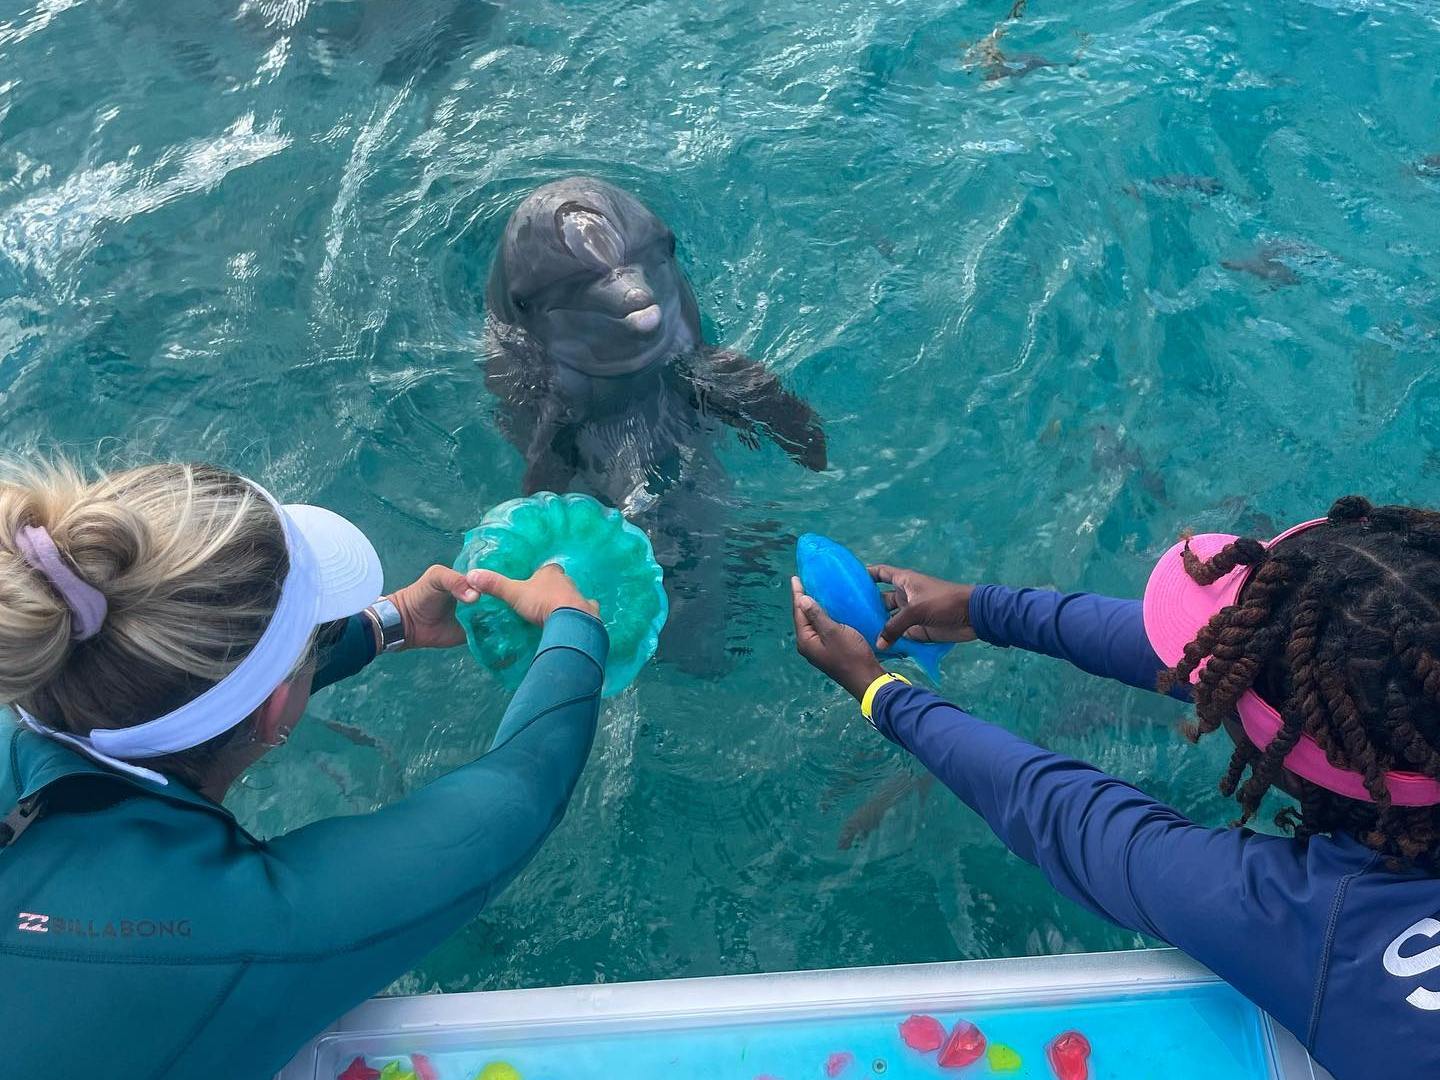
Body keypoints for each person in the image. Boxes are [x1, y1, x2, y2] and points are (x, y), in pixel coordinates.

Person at [791, 496, 1440, 1080]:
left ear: (1294, 755)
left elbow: (1078, 823)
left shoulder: (1331, 927)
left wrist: (879, 693)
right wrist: (981, 609)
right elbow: (1218, 661)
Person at [0, 458, 607, 1079]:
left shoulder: (39, 678)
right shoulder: (230, 930)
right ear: (273, 715)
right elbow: (522, 787)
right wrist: (577, 627)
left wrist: (388, 620)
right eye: (310, 635)